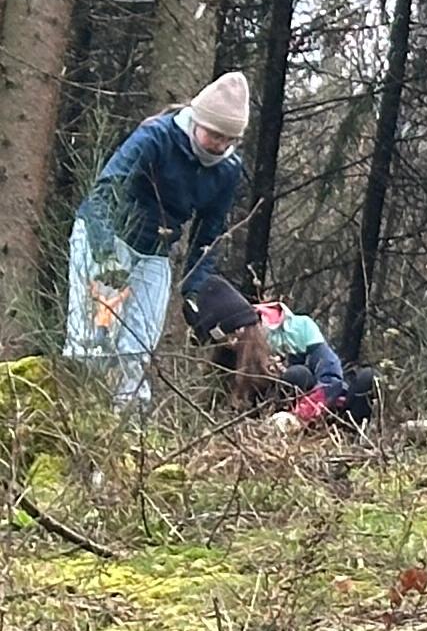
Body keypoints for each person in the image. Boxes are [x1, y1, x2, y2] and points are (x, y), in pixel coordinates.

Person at [66, 72, 252, 411]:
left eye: (229, 140)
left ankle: (127, 426)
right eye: (215, 135)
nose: (219, 145)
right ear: (197, 120)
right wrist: (106, 255)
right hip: (106, 236)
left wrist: (195, 290)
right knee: (93, 342)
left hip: (155, 251)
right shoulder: (156, 137)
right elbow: (103, 195)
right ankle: (74, 415)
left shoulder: (228, 169)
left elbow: (209, 233)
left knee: (138, 348)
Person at [182, 276, 378, 426]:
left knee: (363, 379)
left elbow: (331, 379)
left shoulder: (299, 328)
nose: (232, 343)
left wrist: (298, 416)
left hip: (322, 409)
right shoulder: (229, 357)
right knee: (296, 376)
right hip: (269, 416)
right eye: (225, 341)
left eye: (235, 335)